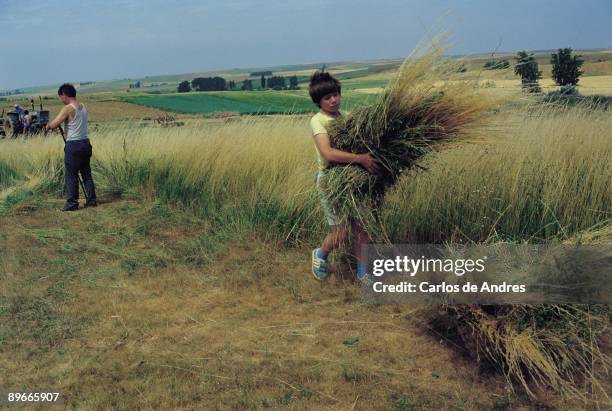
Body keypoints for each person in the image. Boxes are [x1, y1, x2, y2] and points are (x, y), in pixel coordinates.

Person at [308, 71, 379, 282]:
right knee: (342, 232)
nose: (333, 100)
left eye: (335, 95)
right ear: (318, 102)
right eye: (326, 98)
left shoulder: (345, 118)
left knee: (363, 229)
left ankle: (362, 272)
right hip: (331, 180)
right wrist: (360, 159)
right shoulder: (317, 121)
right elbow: (328, 153)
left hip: (352, 177)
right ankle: (320, 255)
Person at [46, 83, 97, 211]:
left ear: (64, 95)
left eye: (60, 97)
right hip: (85, 143)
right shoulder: (83, 106)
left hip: (74, 146)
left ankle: (72, 204)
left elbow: (54, 124)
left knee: (71, 175)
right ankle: (91, 200)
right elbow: (75, 125)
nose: (60, 100)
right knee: (86, 174)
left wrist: (48, 125)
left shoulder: (68, 108)